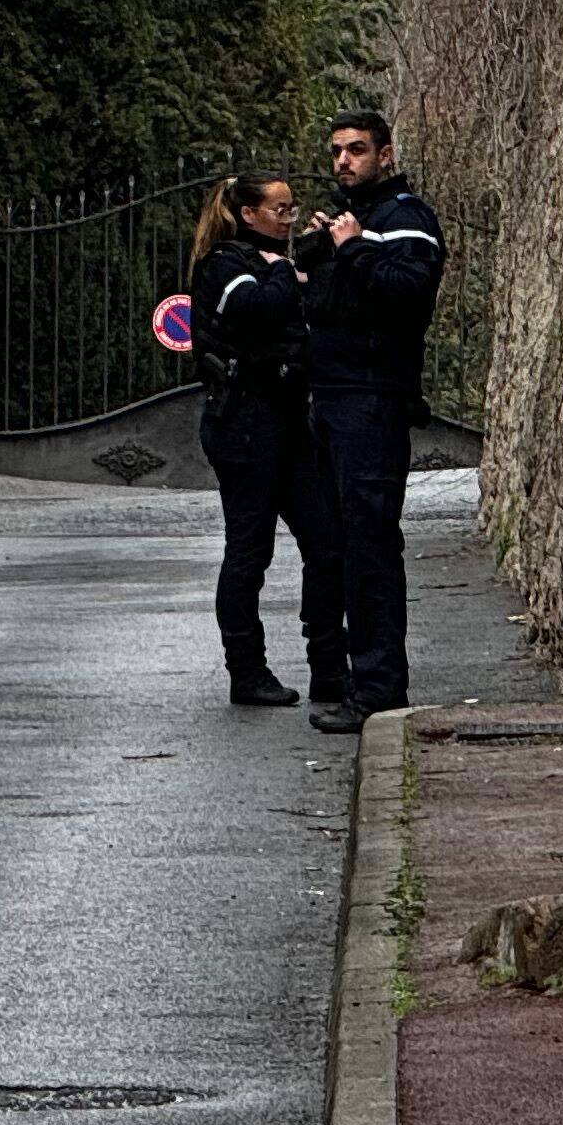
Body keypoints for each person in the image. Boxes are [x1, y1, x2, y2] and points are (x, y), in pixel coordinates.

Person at [302, 106, 449, 733]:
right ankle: (340, 676)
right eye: (337, 150)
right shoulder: (346, 223)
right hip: (328, 400)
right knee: (334, 548)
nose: (343, 162)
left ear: (385, 155)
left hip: (371, 400)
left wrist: (352, 247)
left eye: (356, 150)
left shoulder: (406, 220)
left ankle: (380, 691)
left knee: (369, 547)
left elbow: (406, 296)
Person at [187, 173, 345, 708]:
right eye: (278, 209)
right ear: (248, 213)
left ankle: (329, 667)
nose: (288, 218)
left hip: (288, 423)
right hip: (243, 425)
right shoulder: (224, 264)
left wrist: (311, 263)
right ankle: (246, 671)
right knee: (249, 552)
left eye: (292, 209)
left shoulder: (278, 262)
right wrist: (288, 273)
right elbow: (254, 310)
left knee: (325, 543)